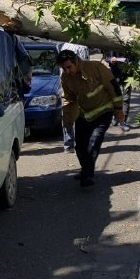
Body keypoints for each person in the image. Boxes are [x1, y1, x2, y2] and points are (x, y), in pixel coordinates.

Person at [56, 49, 124, 187]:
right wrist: (67, 118)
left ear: (76, 61)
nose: (67, 71)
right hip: (84, 114)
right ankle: (86, 170)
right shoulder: (66, 78)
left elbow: (114, 87)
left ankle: (88, 175)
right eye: (63, 68)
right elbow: (69, 99)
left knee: (94, 141)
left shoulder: (95, 68)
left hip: (103, 111)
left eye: (69, 67)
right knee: (80, 146)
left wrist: (118, 109)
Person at [59, 43, 90, 152]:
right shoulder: (82, 47)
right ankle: (79, 143)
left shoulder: (63, 46)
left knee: (68, 113)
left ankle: (68, 145)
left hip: (65, 85)